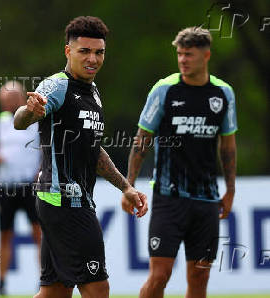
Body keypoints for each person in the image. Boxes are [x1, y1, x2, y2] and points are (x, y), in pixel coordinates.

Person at [14, 16, 148, 298]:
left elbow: (93, 150)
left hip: (64, 201)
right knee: (97, 288)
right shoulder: (57, 85)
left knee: (54, 293)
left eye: (99, 52)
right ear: (68, 51)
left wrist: (125, 186)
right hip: (64, 201)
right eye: (84, 51)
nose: (93, 59)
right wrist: (29, 111)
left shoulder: (93, 92)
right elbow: (19, 120)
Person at [127, 27, 237, 298]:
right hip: (169, 198)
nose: (183, 60)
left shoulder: (223, 93)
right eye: (179, 54)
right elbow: (142, 139)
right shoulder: (164, 90)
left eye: (189, 54)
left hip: (207, 200)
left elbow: (228, 145)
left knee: (199, 277)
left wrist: (230, 190)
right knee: (160, 275)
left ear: (206, 56)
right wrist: (128, 185)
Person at [0, 81, 42, 296]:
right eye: (3, 101)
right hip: (5, 186)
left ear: (18, 98)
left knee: (39, 233)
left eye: (8, 100)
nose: (5, 104)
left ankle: (43, 279)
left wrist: (40, 172)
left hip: (30, 186)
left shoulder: (35, 119)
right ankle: (0, 283)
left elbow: (44, 150)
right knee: (4, 235)